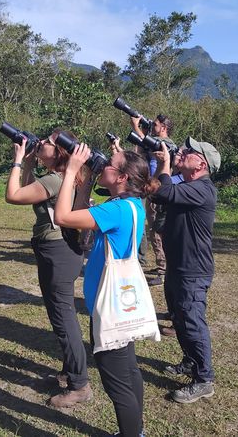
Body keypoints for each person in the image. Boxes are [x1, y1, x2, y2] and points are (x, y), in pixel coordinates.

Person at [55, 145, 156, 437]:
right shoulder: (130, 204)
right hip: (119, 303)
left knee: (117, 382)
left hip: (108, 307)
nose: (103, 166)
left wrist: (73, 170)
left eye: (109, 164)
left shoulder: (114, 210)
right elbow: (78, 213)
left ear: (122, 176)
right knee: (129, 371)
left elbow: (62, 217)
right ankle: (136, 431)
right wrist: (88, 179)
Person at [5, 129, 92, 408]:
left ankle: (80, 385)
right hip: (60, 251)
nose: (39, 143)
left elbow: (14, 196)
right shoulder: (65, 177)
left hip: (57, 253)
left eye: (46, 143)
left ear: (60, 152)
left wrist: (18, 160)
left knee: (64, 319)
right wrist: (30, 162)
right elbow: (33, 193)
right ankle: (70, 371)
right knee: (60, 316)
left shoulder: (56, 180)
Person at [152, 136, 221, 404]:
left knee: (193, 323)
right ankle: (191, 362)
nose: (183, 152)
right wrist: (164, 165)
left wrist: (167, 163)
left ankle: (204, 380)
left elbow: (164, 192)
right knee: (180, 319)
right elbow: (159, 188)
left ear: (201, 163)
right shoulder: (188, 185)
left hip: (193, 270)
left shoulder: (202, 189)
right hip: (178, 267)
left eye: (189, 151)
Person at [130, 114, 174, 287]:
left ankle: (163, 271)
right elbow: (139, 152)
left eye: (155, 124)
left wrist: (136, 128)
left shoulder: (167, 144)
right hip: (153, 188)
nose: (152, 126)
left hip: (160, 190)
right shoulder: (153, 145)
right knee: (154, 229)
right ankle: (161, 266)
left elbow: (147, 142)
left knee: (157, 230)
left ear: (164, 127)